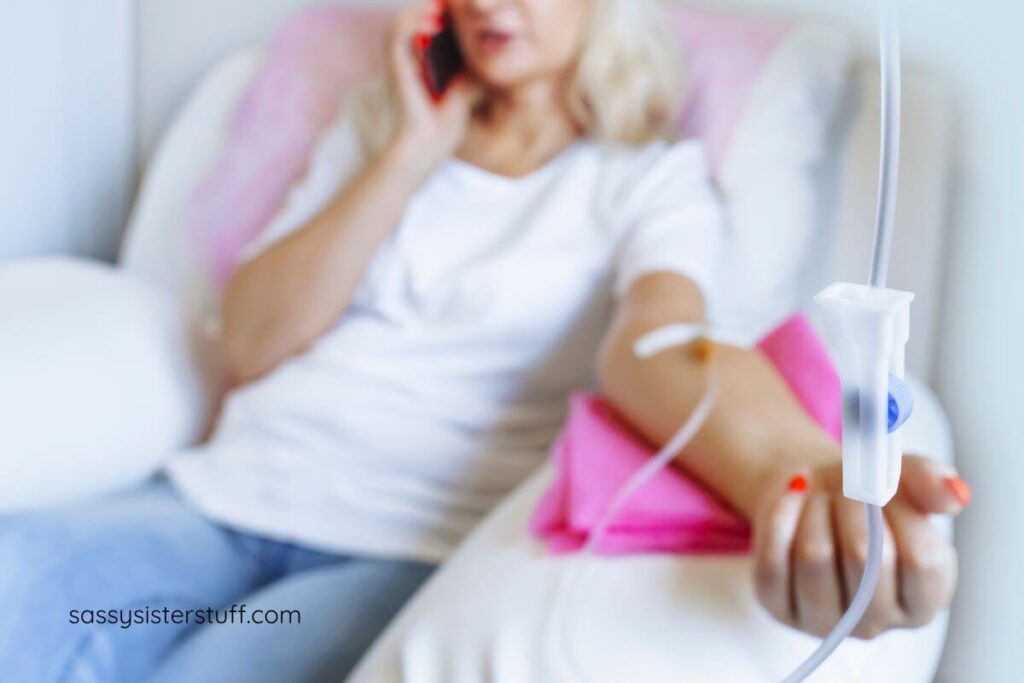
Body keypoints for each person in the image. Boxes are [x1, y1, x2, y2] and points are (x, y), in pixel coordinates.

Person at [0, 0, 967, 681]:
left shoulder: (646, 180)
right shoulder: (379, 137)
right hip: (214, 503)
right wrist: (410, 150)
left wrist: (790, 469)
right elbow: (251, 341)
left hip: (388, 544)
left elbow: (663, 344)